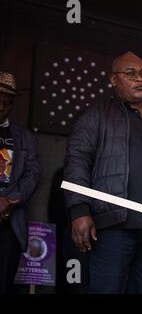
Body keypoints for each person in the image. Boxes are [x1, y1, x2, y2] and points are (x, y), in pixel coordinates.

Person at [63, 52, 142, 294]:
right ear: (114, 80)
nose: (140, 79)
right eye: (130, 74)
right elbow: (77, 161)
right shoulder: (97, 115)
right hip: (114, 226)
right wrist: (79, 210)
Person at [0, 71, 41, 293]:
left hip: (9, 221)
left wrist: (8, 202)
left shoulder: (25, 136)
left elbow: (33, 173)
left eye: (6, 104)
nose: (1, 108)